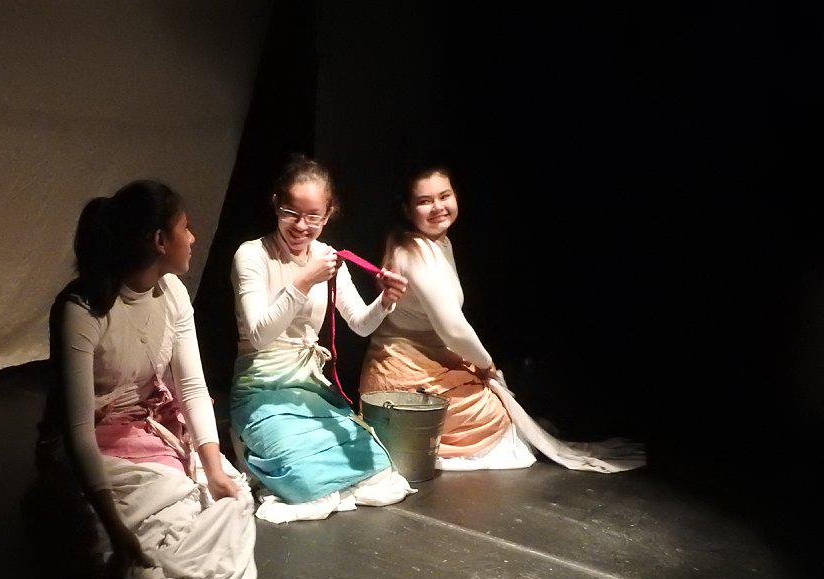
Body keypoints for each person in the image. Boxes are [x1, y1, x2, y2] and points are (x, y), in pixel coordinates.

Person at [0, 180, 256, 579]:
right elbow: (77, 432)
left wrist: (212, 466)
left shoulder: (173, 292)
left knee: (228, 497)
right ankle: (98, 527)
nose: (193, 237)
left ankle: (133, 525)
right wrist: (118, 532)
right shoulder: (82, 309)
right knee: (141, 536)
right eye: (185, 227)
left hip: (149, 433)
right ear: (159, 239)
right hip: (96, 445)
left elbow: (191, 386)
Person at [359, 166, 645, 473]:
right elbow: (452, 329)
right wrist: (485, 363)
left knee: (505, 408)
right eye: (425, 201)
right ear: (407, 208)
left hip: (430, 360)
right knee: (499, 420)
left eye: (444, 196)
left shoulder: (436, 242)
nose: (438, 207)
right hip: (405, 373)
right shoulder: (413, 253)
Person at [228, 156, 415, 522]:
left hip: (307, 389)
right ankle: (250, 441)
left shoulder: (327, 258)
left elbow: (360, 324)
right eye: (292, 213)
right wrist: (303, 281)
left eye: (313, 216)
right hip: (261, 388)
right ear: (276, 205)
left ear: (328, 215)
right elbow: (260, 335)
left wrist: (385, 301)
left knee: (377, 466)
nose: (302, 226)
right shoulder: (252, 255)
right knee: (304, 481)